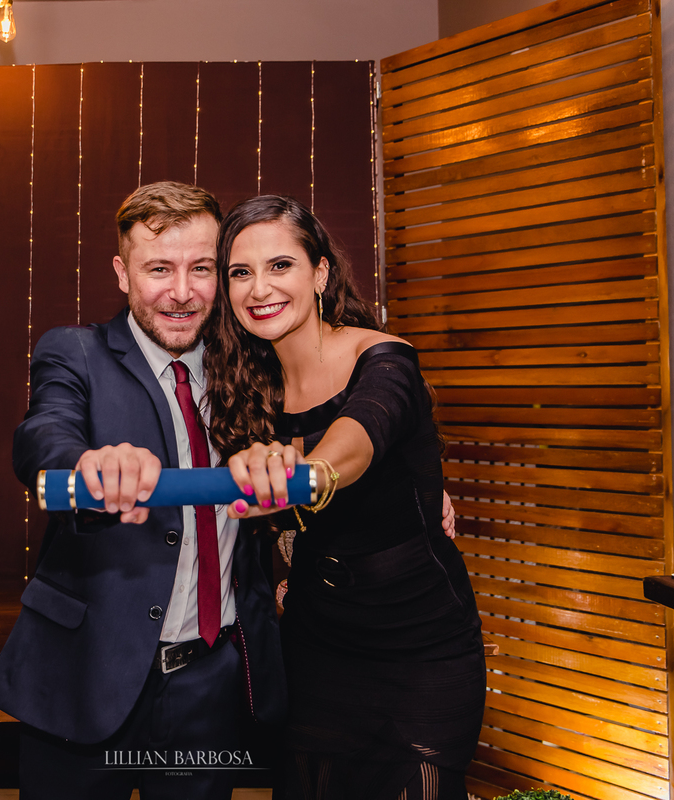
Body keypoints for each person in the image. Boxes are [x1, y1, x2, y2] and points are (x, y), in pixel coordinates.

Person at [0, 182, 287, 800]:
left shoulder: (252, 365)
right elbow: (43, 434)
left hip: (212, 680)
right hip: (86, 674)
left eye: (201, 268)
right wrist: (89, 463)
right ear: (122, 273)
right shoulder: (75, 351)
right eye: (159, 269)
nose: (182, 292)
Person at [203, 195, 486, 800]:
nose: (260, 288)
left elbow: (359, 438)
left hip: (422, 646)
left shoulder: (383, 358)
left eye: (281, 265)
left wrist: (310, 474)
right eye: (240, 272)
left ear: (321, 273)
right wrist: (286, 564)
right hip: (318, 647)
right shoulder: (243, 384)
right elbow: (256, 521)